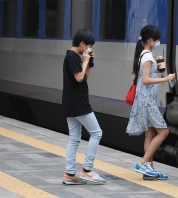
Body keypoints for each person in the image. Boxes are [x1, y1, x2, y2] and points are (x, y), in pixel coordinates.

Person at [126, 25, 176, 180]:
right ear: (150, 40)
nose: (158, 42)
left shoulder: (143, 55)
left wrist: (158, 71)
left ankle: (150, 170)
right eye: (156, 40)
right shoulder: (147, 57)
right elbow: (146, 80)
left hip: (145, 99)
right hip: (148, 101)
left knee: (150, 134)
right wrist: (166, 78)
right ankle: (142, 163)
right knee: (164, 131)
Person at [62, 29, 106, 185]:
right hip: (78, 102)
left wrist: (89, 62)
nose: (89, 49)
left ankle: (70, 174)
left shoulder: (74, 57)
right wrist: (85, 60)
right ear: (82, 44)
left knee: (74, 138)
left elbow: (85, 76)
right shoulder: (72, 57)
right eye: (88, 46)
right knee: (97, 132)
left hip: (70, 102)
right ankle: (87, 170)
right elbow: (79, 78)